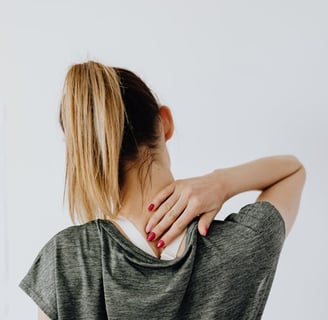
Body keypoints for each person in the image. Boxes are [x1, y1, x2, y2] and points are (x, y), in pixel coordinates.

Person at [19, 61, 306, 320]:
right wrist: (221, 182)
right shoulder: (242, 244)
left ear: (88, 151)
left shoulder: (69, 259)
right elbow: (293, 171)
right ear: (165, 123)